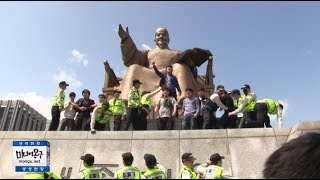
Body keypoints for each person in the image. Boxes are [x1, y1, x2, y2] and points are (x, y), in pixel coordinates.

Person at [117, 25, 212, 108]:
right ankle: (125, 97)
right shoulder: (148, 53)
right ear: (155, 39)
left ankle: (183, 97)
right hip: (150, 76)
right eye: (158, 35)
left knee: (180, 66)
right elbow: (133, 57)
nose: (161, 36)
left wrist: (192, 64)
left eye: (164, 34)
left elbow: (189, 70)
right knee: (133, 67)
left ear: (168, 39)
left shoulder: (177, 53)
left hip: (169, 76)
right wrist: (126, 40)